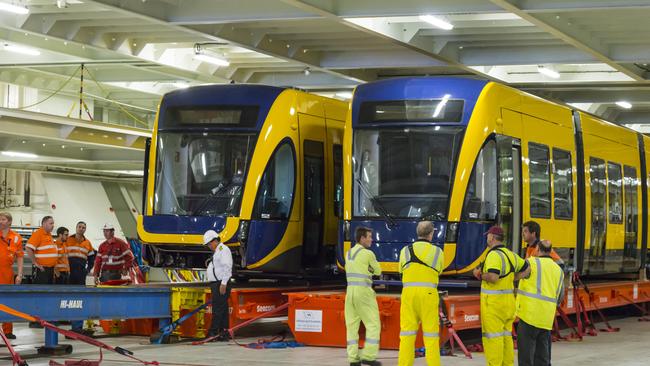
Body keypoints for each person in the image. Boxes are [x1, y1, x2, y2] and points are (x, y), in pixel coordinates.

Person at [473, 226, 529, 366]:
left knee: (493, 338)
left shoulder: (493, 255)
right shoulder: (510, 254)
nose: (487, 238)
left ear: (492, 237)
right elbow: (527, 269)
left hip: (494, 305)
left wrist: (479, 275)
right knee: (506, 337)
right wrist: (512, 279)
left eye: (488, 236)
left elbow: (493, 277)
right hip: (508, 304)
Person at [398, 221, 444, 366]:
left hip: (408, 294)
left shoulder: (405, 250)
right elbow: (439, 270)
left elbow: (401, 271)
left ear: (418, 233)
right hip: (428, 295)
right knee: (431, 336)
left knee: (406, 335)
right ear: (431, 233)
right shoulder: (437, 252)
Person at [516, 240, 564, 366]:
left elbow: (515, 275)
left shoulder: (531, 262)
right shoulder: (558, 270)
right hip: (546, 319)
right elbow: (560, 297)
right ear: (551, 251)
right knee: (542, 358)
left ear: (537, 249)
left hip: (528, 316)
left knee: (526, 357)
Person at [345, 227, 382, 366]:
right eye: (369, 237)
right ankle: (369, 356)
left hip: (350, 292)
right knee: (373, 325)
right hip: (364, 292)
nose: (371, 239)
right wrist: (370, 269)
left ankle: (353, 359)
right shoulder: (368, 254)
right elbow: (378, 270)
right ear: (362, 238)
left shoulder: (348, 253)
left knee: (352, 327)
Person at [204, 230, 233, 341]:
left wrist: (223, 283)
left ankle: (213, 333)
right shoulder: (218, 251)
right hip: (218, 283)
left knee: (217, 309)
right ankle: (224, 333)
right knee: (222, 309)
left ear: (215, 240)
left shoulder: (223, 250)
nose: (209, 246)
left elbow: (227, 267)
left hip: (221, 284)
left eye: (209, 244)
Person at [0, 212, 23, 339]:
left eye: (3, 219)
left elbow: (20, 257)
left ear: (9, 222)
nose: (0, 221)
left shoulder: (16, 238)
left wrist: (19, 274)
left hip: (7, 272)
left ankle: (7, 331)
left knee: (7, 301)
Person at [26, 216, 57, 285]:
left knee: (47, 292)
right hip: (42, 269)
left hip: (50, 270)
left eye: (53, 223)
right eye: (51, 223)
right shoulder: (38, 234)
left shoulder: (49, 235)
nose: (53, 225)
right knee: (41, 292)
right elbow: (28, 248)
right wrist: (35, 263)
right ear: (44, 224)